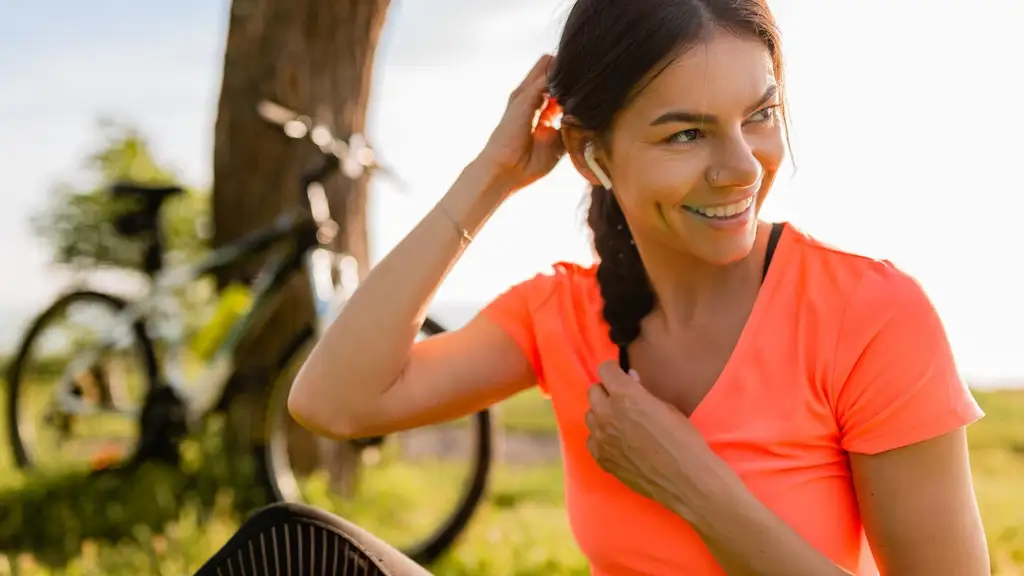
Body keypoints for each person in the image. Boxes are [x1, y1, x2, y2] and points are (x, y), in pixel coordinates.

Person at [286, 1, 991, 574]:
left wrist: (697, 489)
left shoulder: (867, 316)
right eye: (687, 135)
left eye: (760, 116)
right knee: (291, 547)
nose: (742, 168)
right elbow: (334, 402)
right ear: (594, 156)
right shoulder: (560, 314)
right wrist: (492, 175)